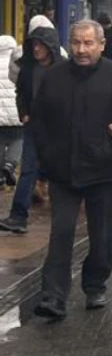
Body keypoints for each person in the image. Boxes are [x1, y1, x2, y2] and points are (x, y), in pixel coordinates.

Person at [31, 20, 112, 320]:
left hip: (104, 171)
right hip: (62, 170)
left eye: (88, 43)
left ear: (101, 44)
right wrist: (47, 155)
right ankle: (53, 296)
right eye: (76, 43)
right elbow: (39, 120)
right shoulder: (54, 76)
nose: (81, 49)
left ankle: (95, 283)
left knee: (102, 235)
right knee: (62, 232)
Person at [0, 20, 63, 233]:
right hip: (34, 126)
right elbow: (21, 92)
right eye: (34, 44)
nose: (36, 49)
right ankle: (18, 216)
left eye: (40, 45)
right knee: (28, 170)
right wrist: (24, 113)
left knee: (59, 169)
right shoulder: (28, 68)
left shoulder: (62, 68)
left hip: (57, 128)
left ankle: (65, 211)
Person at [0, 36, 21, 187]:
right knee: (18, 138)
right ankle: (10, 164)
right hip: (15, 109)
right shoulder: (17, 63)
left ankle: (0, 175)